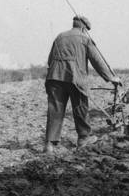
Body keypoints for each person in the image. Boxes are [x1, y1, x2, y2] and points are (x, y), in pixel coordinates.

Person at [43, 14, 121, 151]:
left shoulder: (59, 37)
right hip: (75, 78)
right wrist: (110, 77)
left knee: (55, 109)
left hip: (54, 77)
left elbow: (50, 60)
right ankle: (84, 138)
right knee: (80, 106)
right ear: (84, 27)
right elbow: (97, 60)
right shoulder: (85, 38)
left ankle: (49, 144)